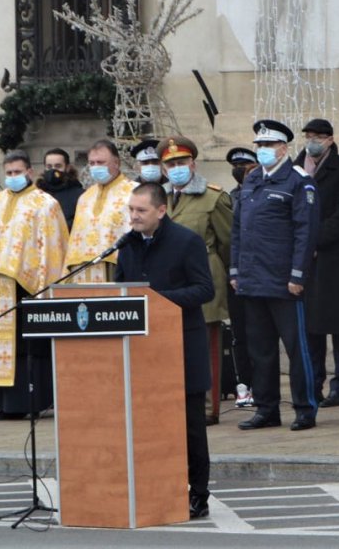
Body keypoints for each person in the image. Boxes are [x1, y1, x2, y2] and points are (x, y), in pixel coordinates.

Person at [114, 183, 216, 518]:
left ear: (161, 210)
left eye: (141, 211)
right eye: (131, 210)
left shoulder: (187, 241)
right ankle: (155, 487)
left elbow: (204, 289)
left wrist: (158, 301)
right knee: (149, 425)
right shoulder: (127, 245)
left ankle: (198, 494)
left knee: (189, 427)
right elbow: (121, 291)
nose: (134, 216)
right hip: (143, 352)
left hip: (182, 348)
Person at [232, 120, 321, 431]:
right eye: (260, 146)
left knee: (297, 349)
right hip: (253, 280)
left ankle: (305, 408)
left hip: (284, 282)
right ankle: (267, 409)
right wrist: (236, 271)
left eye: (269, 146)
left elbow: (305, 233)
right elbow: (238, 230)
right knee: (260, 351)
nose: (263, 151)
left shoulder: (298, 181)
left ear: (284, 148)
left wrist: (298, 276)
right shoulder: (252, 180)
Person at [0, 151, 68, 420]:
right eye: (9, 173)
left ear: (30, 172)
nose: (13, 177)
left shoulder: (45, 205)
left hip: (29, 286)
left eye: (17, 172)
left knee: (27, 349)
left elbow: (53, 248)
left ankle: (29, 403)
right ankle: (4, 403)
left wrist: (43, 283)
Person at [161, 135, 233, 425]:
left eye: (181, 162)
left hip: (204, 273)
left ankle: (207, 407)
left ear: (193, 163)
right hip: (170, 280)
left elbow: (228, 242)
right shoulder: (160, 198)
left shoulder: (213, 197)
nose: (177, 168)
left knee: (205, 344)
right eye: (171, 164)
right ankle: (179, 402)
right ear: (164, 169)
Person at [295, 118, 339, 408]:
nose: (312, 141)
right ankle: (314, 382)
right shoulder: (296, 168)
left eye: (318, 136)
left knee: (338, 326)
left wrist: (314, 240)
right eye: (309, 136)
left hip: (335, 258)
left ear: (330, 139)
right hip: (304, 259)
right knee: (310, 325)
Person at [63, 139, 135, 283]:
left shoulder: (134, 191)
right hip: (83, 269)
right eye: (92, 163)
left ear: (116, 163)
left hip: (116, 267)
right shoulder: (85, 197)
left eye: (101, 162)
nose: (96, 167)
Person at [224, 146, 259, 408]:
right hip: (237, 275)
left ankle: (262, 384)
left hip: (259, 273)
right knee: (239, 334)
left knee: (260, 332)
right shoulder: (229, 198)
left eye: (246, 168)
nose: (241, 173)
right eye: (237, 169)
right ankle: (244, 384)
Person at [37, 148, 84, 229]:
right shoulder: (38, 194)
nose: (53, 170)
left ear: (67, 168)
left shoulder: (80, 195)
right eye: (49, 167)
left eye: (58, 166)